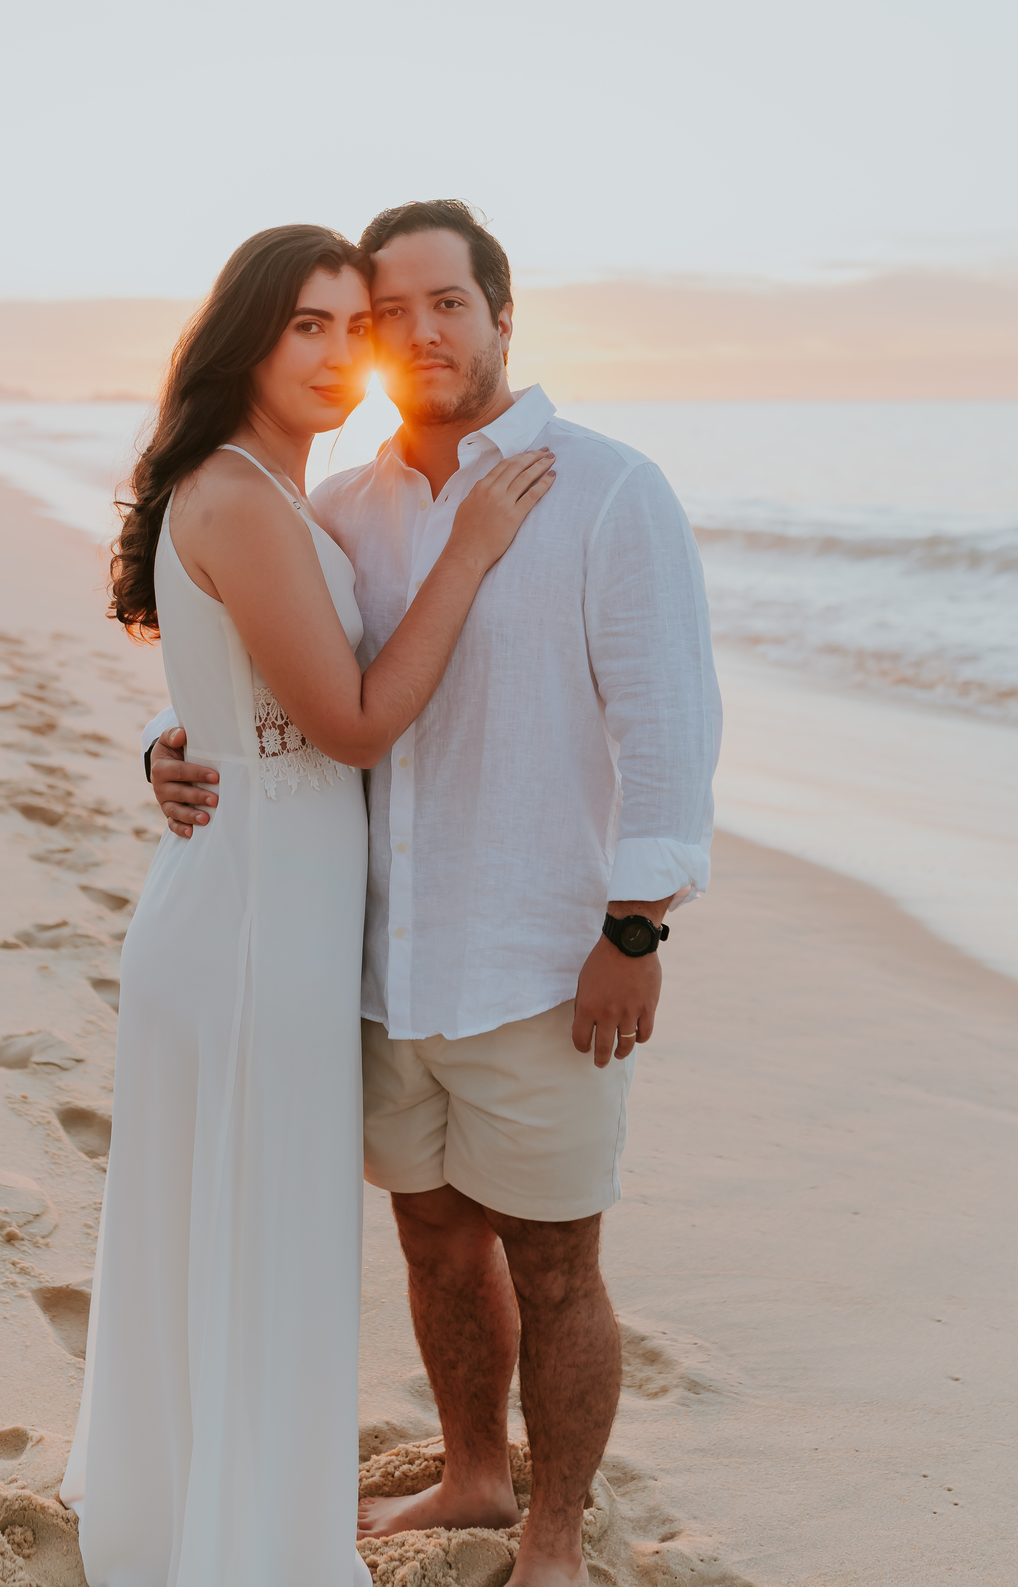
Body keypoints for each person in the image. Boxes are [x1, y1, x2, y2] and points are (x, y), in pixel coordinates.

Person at [148, 199, 722, 1587]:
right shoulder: (340, 508)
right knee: (431, 1237)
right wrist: (170, 751)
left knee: (558, 1261)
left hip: (540, 961)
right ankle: (471, 1476)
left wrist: (636, 924)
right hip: (378, 962)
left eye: (443, 304)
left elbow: (670, 722)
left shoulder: (607, 486)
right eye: (384, 315)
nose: (416, 334)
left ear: (501, 314)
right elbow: (281, 688)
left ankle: (554, 1536)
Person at [59, 221, 555, 1587]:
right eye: (310, 327)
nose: (345, 355)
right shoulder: (234, 495)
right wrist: (470, 550)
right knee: (258, 1235)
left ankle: (216, 1512)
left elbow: (236, 683)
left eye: (360, 327)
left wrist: (171, 732)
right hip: (253, 931)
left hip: (262, 911)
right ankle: (237, 1540)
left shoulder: (278, 495)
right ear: (249, 339)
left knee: (248, 1231)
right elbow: (343, 720)